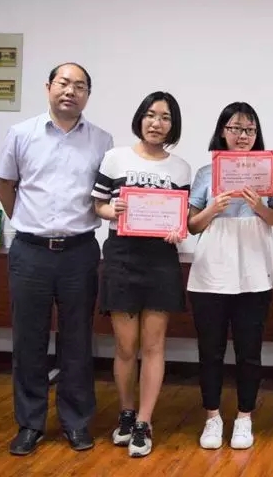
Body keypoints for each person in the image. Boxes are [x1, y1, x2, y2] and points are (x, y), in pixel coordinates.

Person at [0, 62, 113, 455]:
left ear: (87, 95)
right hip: (30, 253)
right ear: (48, 87)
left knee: (77, 341)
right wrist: (30, 224)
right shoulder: (21, 134)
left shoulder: (102, 141)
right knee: (28, 341)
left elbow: (104, 197)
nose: (70, 91)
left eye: (79, 86)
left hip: (80, 252)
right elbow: (4, 186)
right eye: (63, 83)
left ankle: (76, 422)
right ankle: (30, 424)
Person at [91, 91, 191, 458]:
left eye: (165, 117)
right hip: (121, 256)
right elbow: (98, 204)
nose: (156, 123)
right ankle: (126, 412)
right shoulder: (115, 158)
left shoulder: (180, 168)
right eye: (150, 115)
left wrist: (178, 230)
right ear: (140, 119)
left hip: (160, 260)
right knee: (125, 346)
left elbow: (182, 218)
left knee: (153, 345)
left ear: (172, 126)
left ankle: (144, 423)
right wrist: (112, 210)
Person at [187, 102, 273, 450]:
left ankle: (244, 418)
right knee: (210, 351)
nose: (243, 135)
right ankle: (212, 417)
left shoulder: (268, 173)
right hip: (211, 270)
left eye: (249, 129)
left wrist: (260, 206)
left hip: (254, 269)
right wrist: (213, 208)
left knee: (249, 350)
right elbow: (191, 226)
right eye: (235, 128)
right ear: (222, 131)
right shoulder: (206, 173)